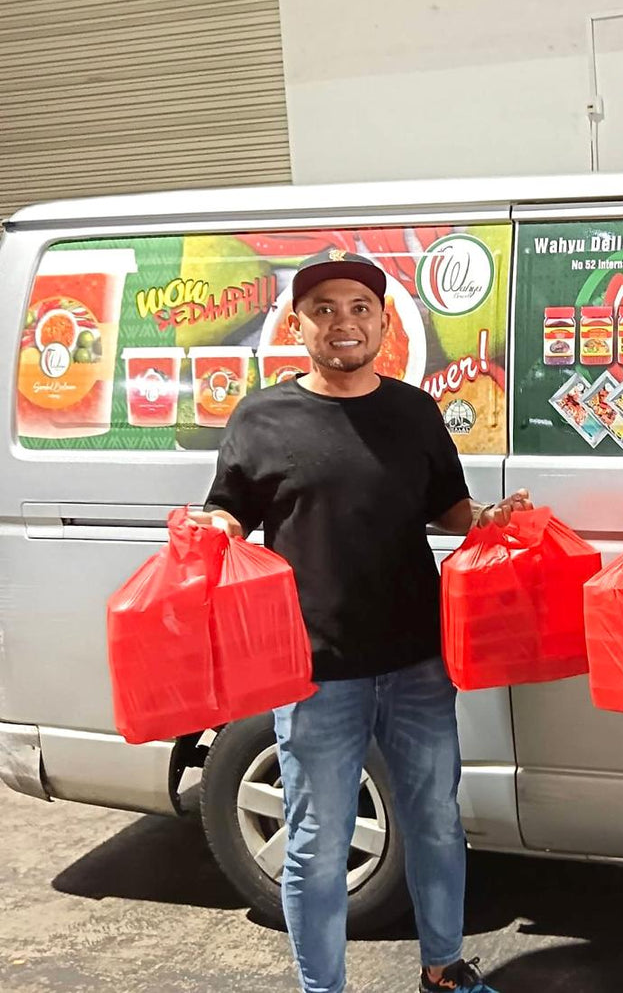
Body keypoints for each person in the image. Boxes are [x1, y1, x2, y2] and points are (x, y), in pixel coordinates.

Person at [196, 248, 522, 993]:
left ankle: (443, 969)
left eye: (359, 308)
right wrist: (210, 527)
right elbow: (229, 509)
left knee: (437, 823)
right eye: (324, 310)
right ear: (298, 323)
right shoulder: (262, 415)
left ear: (381, 322)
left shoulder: (412, 409)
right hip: (314, 669)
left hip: (416, 658)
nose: (343, 323)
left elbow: (448, 506)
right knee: (316, 842)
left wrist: (492, 520)